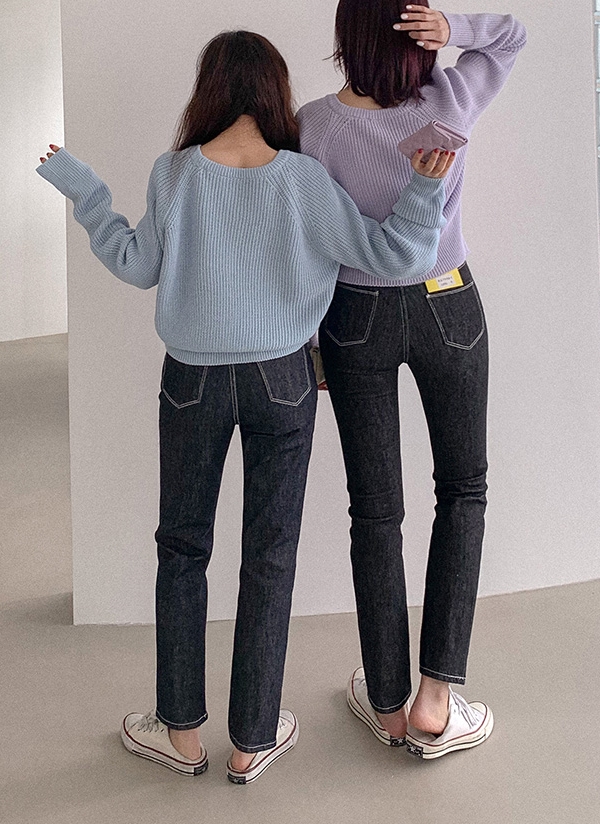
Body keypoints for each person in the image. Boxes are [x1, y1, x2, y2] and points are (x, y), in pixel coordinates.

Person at [37, 30, 454, 782]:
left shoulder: (175, 174)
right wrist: (423, 191)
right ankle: (252, 739)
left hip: (192, 381)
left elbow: (135, 264)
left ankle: (180, 734)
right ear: (274, 92)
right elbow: (396, 256)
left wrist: (87, 194)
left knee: (181, 549)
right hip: (283, 382)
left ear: (209, 90)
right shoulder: (303, 180)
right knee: (270, 555)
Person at [297, 2, 527, 759]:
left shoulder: (315, 127)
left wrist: (310, 343)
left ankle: (389, 703)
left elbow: (308, 245)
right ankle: (436, 698)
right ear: (413, 31)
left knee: (375, 510)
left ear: (346, 36)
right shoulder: (448, 99)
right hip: (447, 303)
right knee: (463, 490)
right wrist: (456, 28)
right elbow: (513, 35)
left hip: (353, 314)